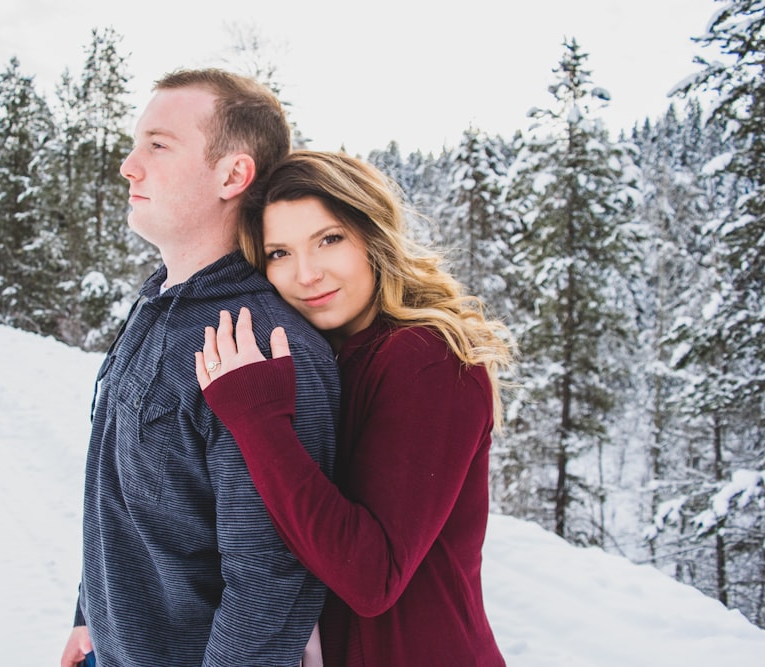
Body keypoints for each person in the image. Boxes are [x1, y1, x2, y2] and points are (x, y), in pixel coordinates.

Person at [60, 72, 340, 666]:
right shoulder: (159, 301)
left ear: (233, 175)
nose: (129, 166)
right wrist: (89, 617)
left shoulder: (261, 346)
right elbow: (121, 491)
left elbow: (272, 583)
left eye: (158, 145)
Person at [195, 150, 514, 666]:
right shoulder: (327, 357)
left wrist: (257, 420)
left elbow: (372, 578)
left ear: (374, 236)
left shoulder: (426, 359)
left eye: (329, 239)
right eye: (279, 253)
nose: (307, 274)